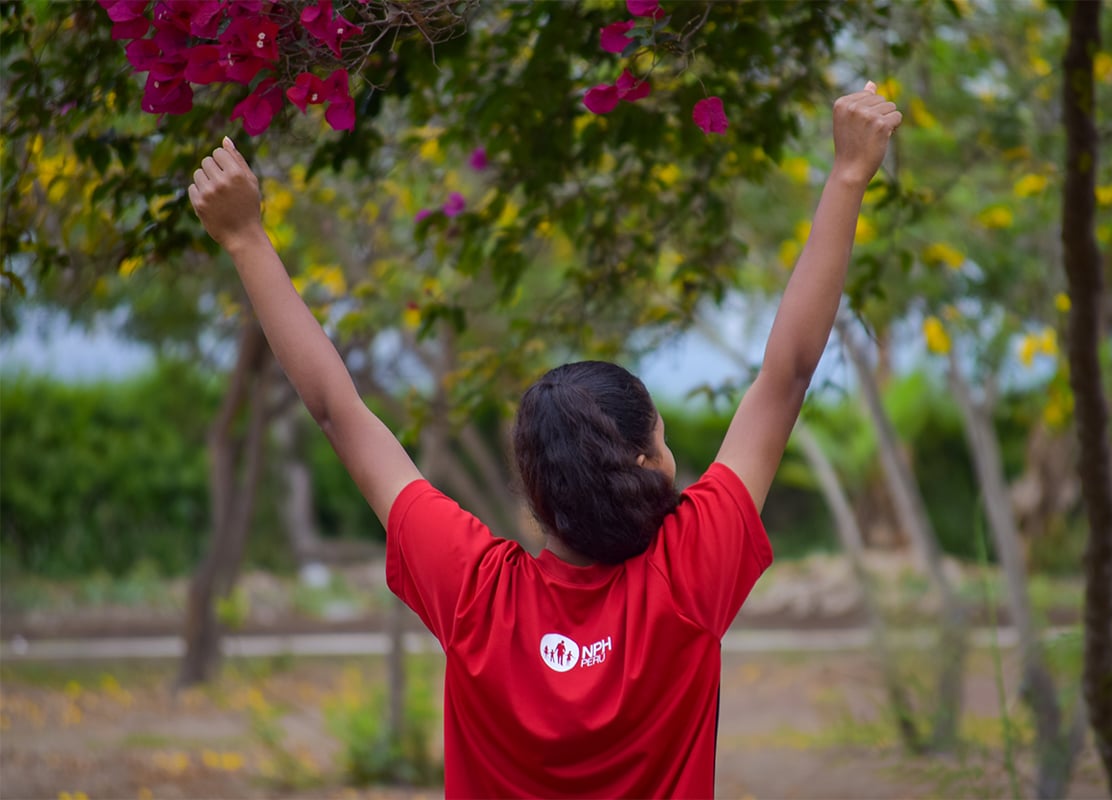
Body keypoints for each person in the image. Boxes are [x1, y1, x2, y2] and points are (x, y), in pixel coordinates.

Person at [188, 81, 901, 798]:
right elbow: (787, 376)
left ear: (535, 485)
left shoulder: (477, 596)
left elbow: (337, 412)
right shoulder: (688, 574)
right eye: (662, 441)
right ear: (645, 464)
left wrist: (245, 237)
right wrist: (847, 174)